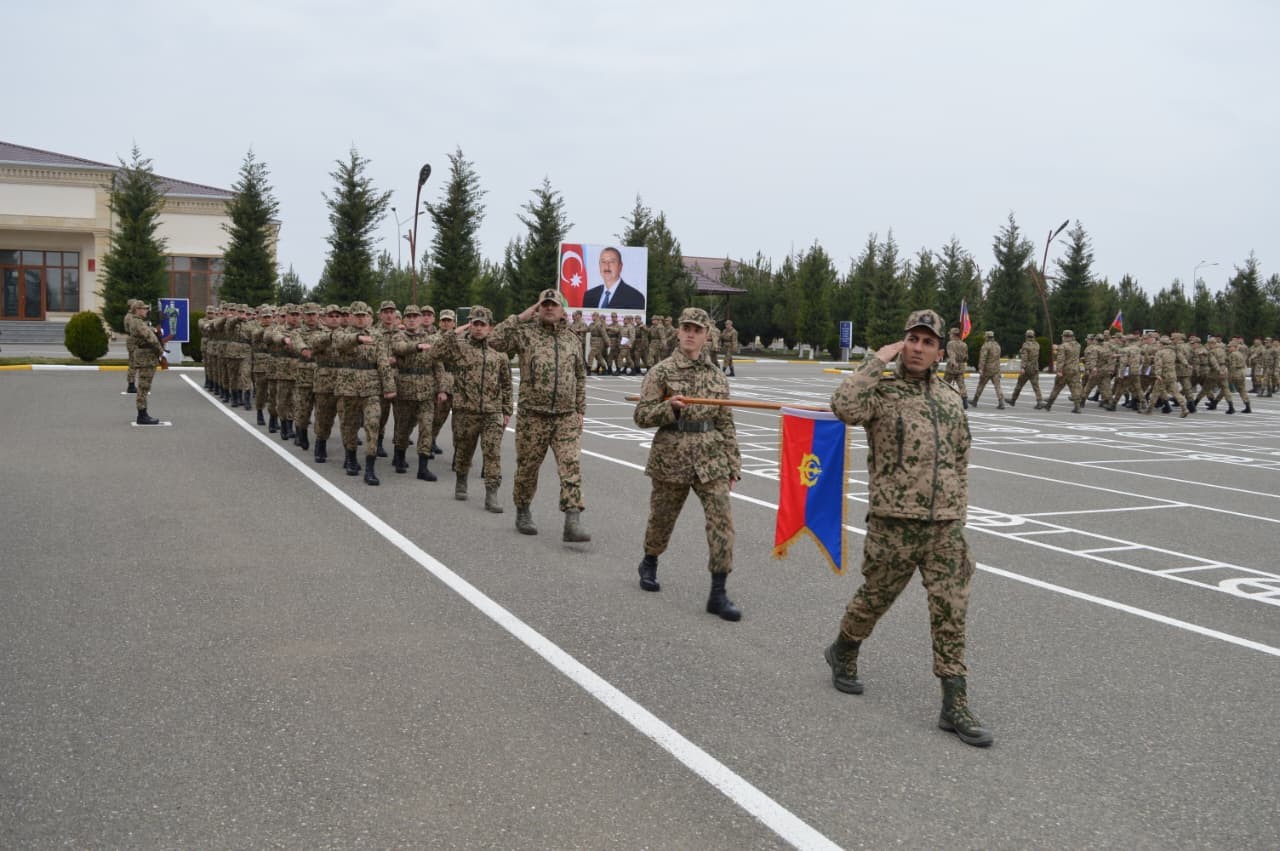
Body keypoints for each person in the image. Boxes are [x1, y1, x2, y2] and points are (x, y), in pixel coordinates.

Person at [824, 308, 992, 747]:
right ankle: (844, 648)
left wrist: (957, 511)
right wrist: (874, 362)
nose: (918, 348)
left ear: (940, 351)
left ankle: (954, 702)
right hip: (894, 522)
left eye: (927, 342)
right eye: (912, 340)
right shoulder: (881, 390)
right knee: (875, 598)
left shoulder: (950, 399)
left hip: (945, 528)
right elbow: (843, 406)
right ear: (904, 343)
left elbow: (961, 458)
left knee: (951, 612)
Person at [633, 307, 743, 621]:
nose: (691, 334)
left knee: (722, 523)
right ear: (679, 332)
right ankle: (650, 560)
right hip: (672, 456)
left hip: (711, 458)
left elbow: (726, 423)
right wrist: (669, 409)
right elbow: (641, 416)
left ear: (707, 335)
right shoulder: (662, 371)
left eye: (697, 329)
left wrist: (733, 463)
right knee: (662, 519)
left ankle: (718, 593)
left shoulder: (717, 376)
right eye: (686, 328)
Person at [487, 288, 590, 542]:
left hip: (565, 417)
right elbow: (495, 340)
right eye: (544, 304)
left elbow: (580, 376)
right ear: (538, 307)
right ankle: (523, 510)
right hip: (533, 416)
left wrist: (580, 410)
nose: (548, 308)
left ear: (562, 309)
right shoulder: (525, 335)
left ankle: (572, 520)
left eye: (553, 304)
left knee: (571, 466)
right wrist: (522, 317)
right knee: (528, 469)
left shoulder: (572, 339)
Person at [434, 306, 513, 510]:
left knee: (492, 453)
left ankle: (492, 494)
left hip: (491, 412)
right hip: (465, 411)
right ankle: (461, 480)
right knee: (464, 450)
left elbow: (506, 383)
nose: (478, 328)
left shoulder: (499, 354)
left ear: (490, 327)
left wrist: (506, 411)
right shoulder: (459, 348)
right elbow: (434, 351)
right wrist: (456, 331)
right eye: (474, 324)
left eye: (482, 324)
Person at [125, 299, 165, 425]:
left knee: (144, 386)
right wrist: (161, 351)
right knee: (143, 387)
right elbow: (151, 338)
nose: (146, 310)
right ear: (138, 310)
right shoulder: (137, 322)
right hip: (145, 357)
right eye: (144, 308)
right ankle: (142, 415)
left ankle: (143, 413)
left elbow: (149, 333)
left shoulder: (138, 322)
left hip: (145, 356)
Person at [1044, 329, 1083, 413]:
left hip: (1065, 370)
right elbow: (1070, 349)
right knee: (1075, 388)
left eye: (1063, 337)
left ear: (1065, 337)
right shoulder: (1078, 345)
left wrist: (1059, 370)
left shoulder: (1063, 346)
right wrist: (1058, 347)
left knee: (1057, 387)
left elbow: (1061, 359)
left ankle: (1048, 405)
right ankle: (1077, 407)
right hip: (1075, 370)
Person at [1008, 329, 1044, 408]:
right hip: (1035, 368)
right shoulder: (1037, 344)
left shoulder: (1025, 345)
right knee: (1036, 386)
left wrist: (1022, 367)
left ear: (1026, 336)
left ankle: (1013, 400)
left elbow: (1025, 357)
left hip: (1027, 368)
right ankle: (1040, 401)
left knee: (1019, 385)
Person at [971, 330, 1005, 409]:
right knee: (998, 386)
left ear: (987, 337)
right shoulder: (997, 345)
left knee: (981, 385)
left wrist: (980, 368)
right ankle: (1001, 402)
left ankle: (975, 401)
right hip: (996, 369)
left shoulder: (986, 346)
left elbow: (983, 358)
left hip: (987, 369)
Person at [942, 328, 969, 408]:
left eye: (950, 334)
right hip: (961, 367)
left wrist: (953, 362)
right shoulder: (964, 344)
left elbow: (951, 354)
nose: (949, 336)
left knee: (945, 384)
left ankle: (942, 399)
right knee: (961, 384)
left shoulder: (950, 343)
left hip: (952, 367)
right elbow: (966, 357)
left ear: (953, 335)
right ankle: (965, 401)